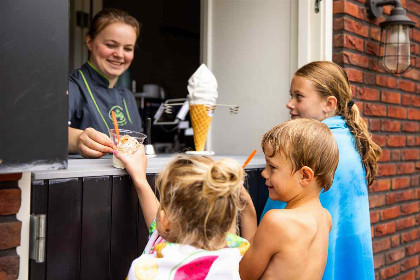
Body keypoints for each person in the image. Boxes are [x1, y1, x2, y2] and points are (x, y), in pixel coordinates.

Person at [261, 61, 382, 279]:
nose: (289, 104)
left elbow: (278, 218)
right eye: (291, 95)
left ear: (329, 103)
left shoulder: (314, 150)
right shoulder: (350, 139)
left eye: (299, 97)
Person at [114, 147, 252, 279]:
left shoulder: (143, 270)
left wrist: (140, 178)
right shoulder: (234, 256)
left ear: (164, 220)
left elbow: (160, 230)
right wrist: (140, 181)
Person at [239, 118, 339, 280]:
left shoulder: (276, 221)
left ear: (305, 176)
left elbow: (240, 275)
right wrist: (246, 205)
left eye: (272, 167)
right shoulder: (325, 218)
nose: (264, 173)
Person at [68, 8, 142, 158]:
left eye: (128, 48)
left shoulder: (128, 97)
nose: (120, 54)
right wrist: (77, 139)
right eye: (110, 45)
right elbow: (45, 134)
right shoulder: (71, 85)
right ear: (89, 41)